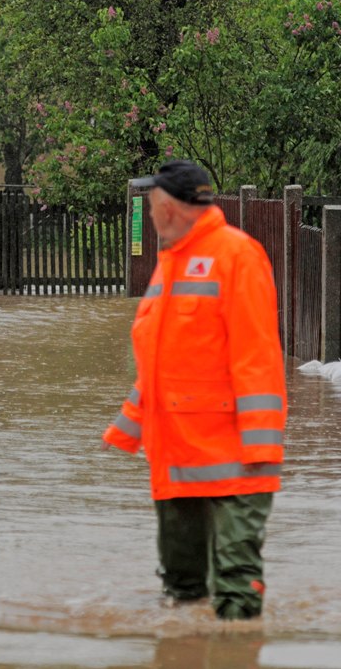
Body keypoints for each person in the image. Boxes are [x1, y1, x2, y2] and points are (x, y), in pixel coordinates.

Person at [102, 159, 286, 621]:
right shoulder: (170, 265)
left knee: (236, 596)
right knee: (182, 596)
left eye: (151, 201)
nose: (148, 209)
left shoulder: (236, 256)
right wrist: (128, 429)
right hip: (178, 458)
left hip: (234, 460)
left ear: (167, 208)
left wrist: (261, 448)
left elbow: (257, 357)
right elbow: (160, 364)